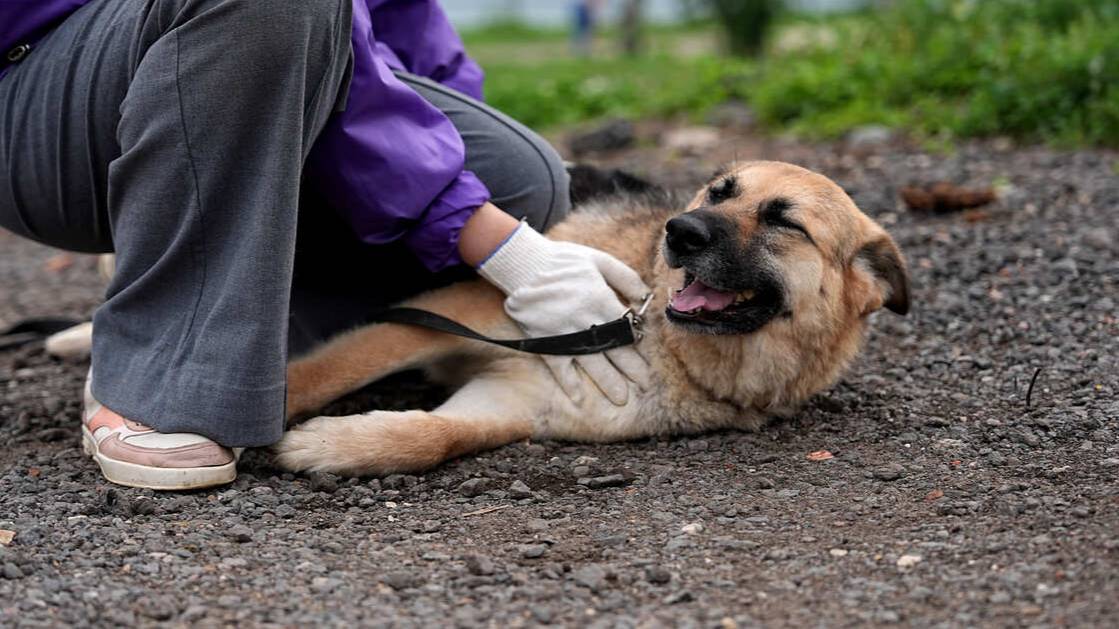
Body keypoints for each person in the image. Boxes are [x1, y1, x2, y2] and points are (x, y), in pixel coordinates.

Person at [0, 0, 649, 490]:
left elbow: (399, 30)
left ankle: (220, 320)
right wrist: (501, 245)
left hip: (266, 47)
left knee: (517, 178)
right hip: (41, 82)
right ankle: (164, 354)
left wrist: (484, 197)